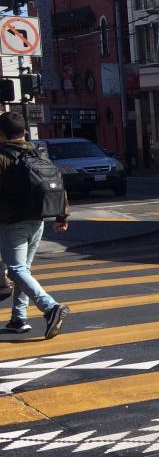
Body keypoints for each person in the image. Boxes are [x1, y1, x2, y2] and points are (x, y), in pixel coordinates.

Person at [0, 113, 71, 338]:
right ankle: (18, 319)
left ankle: (50, 308)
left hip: (13, 222)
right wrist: (62, 217)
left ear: (2, 133)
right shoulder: (38, 154)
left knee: (16, 269)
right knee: (23, 270)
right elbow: (58, 185)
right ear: (24, 132)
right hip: (38, 220)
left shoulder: (2, 157)